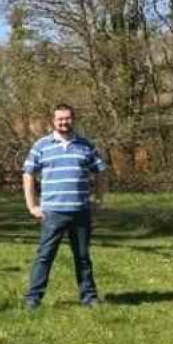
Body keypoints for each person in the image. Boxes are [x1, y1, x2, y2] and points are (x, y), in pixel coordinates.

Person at [22, 103, 107, 309]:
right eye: (60, 119)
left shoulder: (86, 145)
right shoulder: (41, 146)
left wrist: (99, 200)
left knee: (83, 257)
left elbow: (102, 172)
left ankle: (89, 298)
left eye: (67, 118)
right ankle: (33, 299)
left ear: (73, 119)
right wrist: (32, 205)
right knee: (45, 256)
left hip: (80, 212)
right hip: (53, 213)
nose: (64, 122)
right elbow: (28, 174)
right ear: (53, 121)